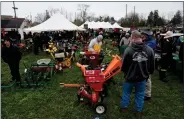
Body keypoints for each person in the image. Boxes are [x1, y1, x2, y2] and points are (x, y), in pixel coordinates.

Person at [120, 30, 155, 116]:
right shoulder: (149, 50)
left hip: (129, 77)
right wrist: (148, 73)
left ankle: (124, 108)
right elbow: (152, 65)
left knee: (126, 92)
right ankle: (138, 111)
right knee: (140, 94)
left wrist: (125, 73)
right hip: (142, 77)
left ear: (134, 38)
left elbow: (124, 65)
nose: (131, 40)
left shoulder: (128, 50)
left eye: (131, 38)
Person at [141, 31, 156, 101]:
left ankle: (148, 95)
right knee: (143, 78)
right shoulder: (147, 42)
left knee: (147, 80)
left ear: (147, 36)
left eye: (144, 36)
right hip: (144, 62)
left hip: (148, 63)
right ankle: (143, 92)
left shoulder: (151, 43)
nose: (142, 37)